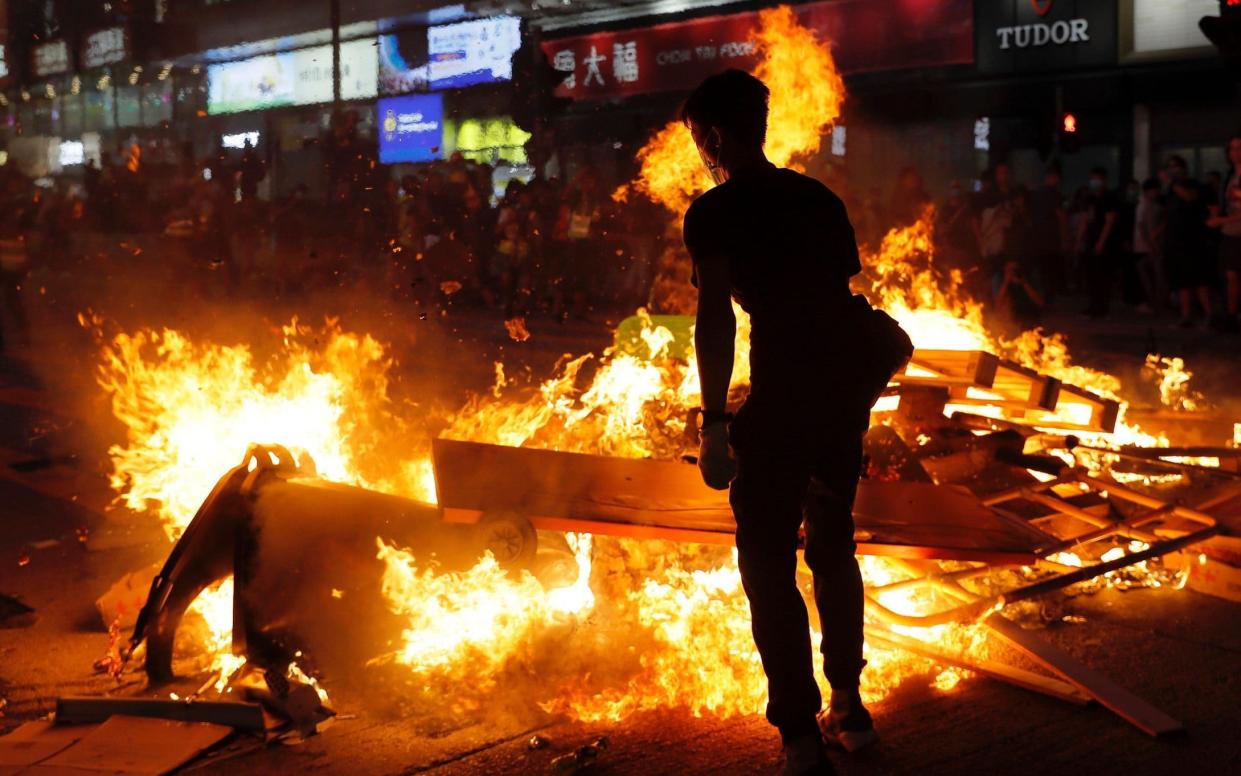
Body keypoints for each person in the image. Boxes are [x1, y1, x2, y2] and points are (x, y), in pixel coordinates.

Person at [682, 69, 884, 775]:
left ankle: (798, 731)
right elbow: (837, 299)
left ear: (709, 133)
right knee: (833, 552)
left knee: (767, 562)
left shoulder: (715, 212)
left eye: (696, 136)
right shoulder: (816, 199)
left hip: (781, 400)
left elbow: (714, 320)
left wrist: (712, 424)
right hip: (839, 400)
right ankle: (850, 708)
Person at [1163, 155, 1214, 327]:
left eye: (1175, 166)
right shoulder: (1170, 192)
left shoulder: (1194, 185)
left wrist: (1172, 184)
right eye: (1170, 167)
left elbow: (1190, 197)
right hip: (1176, 242)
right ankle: (1186, 317)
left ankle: (1209, 315)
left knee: (1199, 280)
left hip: (1194, 241)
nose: (1172, 170)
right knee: (1182, 282)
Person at [1075, 167, 1120, 318]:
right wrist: (1078, 239)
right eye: (1092, 179)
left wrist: (1101, 242)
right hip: (1090, 240)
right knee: (1091, 275)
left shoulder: (1109, 197)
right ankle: (1093, 305)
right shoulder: (1089, 198)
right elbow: (1085, 220)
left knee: (1103, 275)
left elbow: (1110, 221)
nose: (1095, 182)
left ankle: (1102, 307)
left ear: (1103, 180)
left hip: (1105, 243)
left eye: (1097, 179)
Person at [1207, 134, 1241, 330]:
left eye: (1239, 148)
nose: (1236, 152)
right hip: (1230, 233)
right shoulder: (1230, 175)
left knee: (1234, 275)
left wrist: (1222, 220)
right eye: (1233, 148)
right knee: (1230, 275)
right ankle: (1231, 315)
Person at [1026, 166, 1068, 303]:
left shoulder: (1036, 193)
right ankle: (1046, 299)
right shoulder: (1053, 195)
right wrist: (1064, 238)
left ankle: (1043, 299)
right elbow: (1061, 217)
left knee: (1044, 272)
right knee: (1049, 272)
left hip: (1038, 240)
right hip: (1049, 241)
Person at [1134, 178, 1167, 315]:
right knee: (1150, 276)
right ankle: (1150, 302)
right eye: (1154, 190)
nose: (1156, 192)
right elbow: (1141, 226)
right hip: (1144, 246)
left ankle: (1156, 303)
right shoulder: (1143, 205)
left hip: (1153, 244)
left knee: (1155, 276)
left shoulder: (1156, 205)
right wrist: (1149, 244)